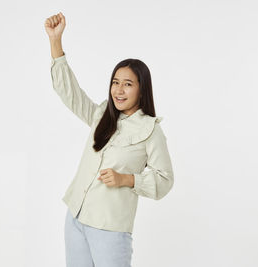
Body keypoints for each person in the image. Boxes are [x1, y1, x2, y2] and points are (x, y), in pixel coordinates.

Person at [45, 12, 174, 267]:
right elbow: (69, 93)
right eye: (115, 82)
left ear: (141, 89)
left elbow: (165, 179)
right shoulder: (101, 115)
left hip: (110, 228)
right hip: (76, 217)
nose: (119, 89)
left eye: (128, 84)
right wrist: (55, 41)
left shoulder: (150, 130)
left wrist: (126, 179)